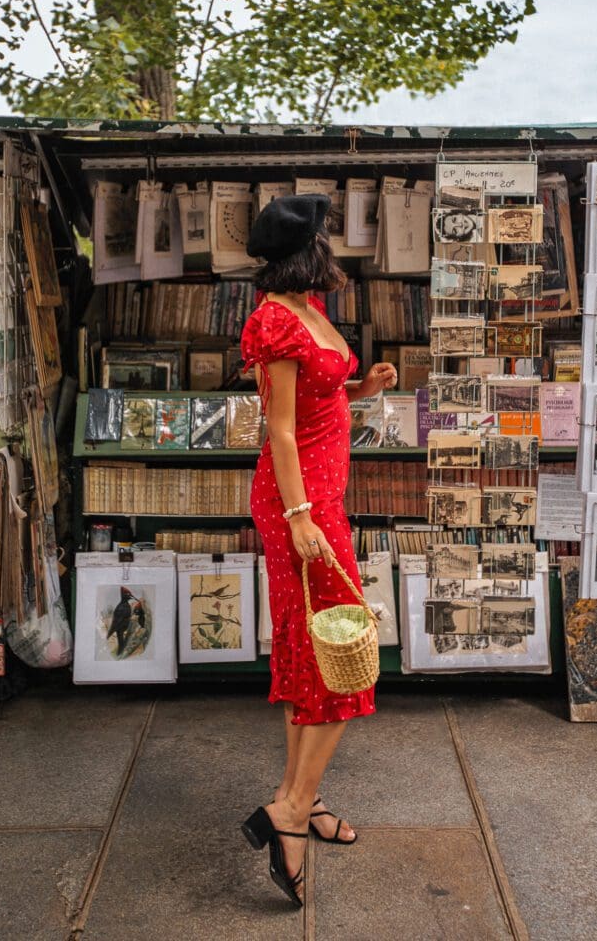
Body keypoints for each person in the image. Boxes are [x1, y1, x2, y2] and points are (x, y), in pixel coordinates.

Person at [239, 194, 397, 908]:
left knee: (314, 652)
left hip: (319, 502)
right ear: (310, 250)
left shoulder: (307, 307)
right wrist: (302, 516)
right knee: (344, 657)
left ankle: (298, 794)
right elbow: (278, 429)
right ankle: (291, 815)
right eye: (327, 239)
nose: (335, 250)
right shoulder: (275, 319)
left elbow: (317, 401)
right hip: (298, 506)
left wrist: (363, 388)